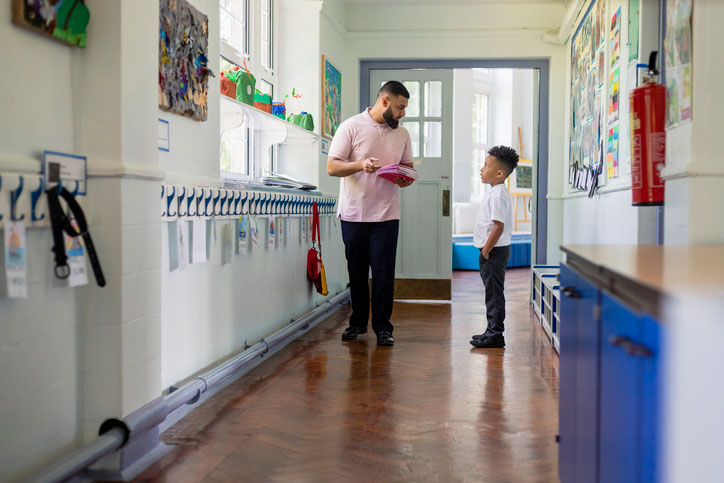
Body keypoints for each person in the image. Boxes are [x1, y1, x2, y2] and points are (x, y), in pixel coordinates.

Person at [326, 81, 414, 346]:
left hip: (387, 215)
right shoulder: (351, 126)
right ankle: (357, 324)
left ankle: (383, 328)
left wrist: (404, 178)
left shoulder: (403, 134)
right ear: (384, 102)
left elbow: (407, 167)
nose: (403, 113)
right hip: (353, 213)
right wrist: (359, 165)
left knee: (384, 273)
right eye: (400, 107)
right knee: (357, 272)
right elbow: (332, 167)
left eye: (405, 108)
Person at [470, 146, 519, 349]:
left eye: (486, 165)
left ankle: (495, 335)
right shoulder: (496, 191)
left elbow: (498, 226)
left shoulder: (498, 194)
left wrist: (486, 250)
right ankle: (491, 331)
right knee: (492, 292)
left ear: (499, 173)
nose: (481, 169)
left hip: (493, 251)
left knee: (493, 293)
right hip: (493, 250)